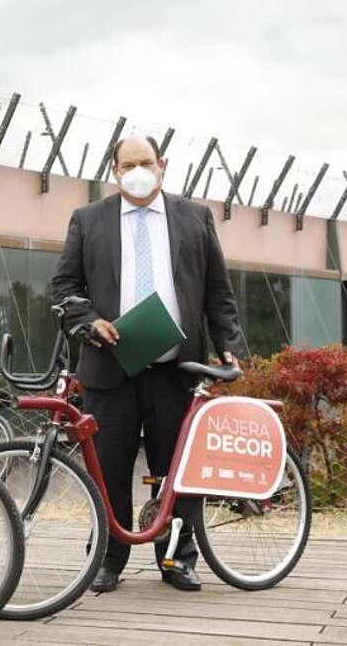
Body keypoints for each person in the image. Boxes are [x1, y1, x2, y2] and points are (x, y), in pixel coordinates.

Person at [52, 135, 243, 593]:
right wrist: (92, 321)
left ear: (162, 165)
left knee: (175, 471)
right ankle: (106, 560)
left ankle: (177, 560)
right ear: (115, 171)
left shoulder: (194, 217)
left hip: (176, 369)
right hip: (109, 369)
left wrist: (229, 343)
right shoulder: (87, 220)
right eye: (127, 164)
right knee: (108, 468)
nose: (137, 170)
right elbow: (63, 289)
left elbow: (218, 289)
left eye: (145, 162)